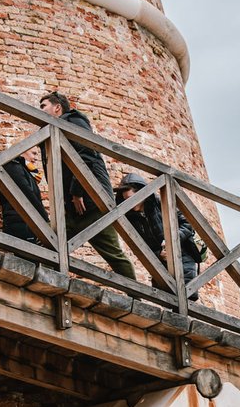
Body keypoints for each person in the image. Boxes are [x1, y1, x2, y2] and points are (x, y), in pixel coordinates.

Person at [38, 92, 135, 280]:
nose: (40, 110)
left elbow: (87, 154)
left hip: (92, 201)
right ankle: (42, 280)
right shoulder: (51, 130)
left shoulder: (73, 120)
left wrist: (76, 192)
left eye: (44, 106)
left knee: (114, 255)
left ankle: (137, 297)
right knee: (46, 243)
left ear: (57, 107)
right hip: (71, 209)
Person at [114, 172, 201, 300]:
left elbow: (188, 224)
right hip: (160, 263)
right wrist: (159, 254)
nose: (130, 204)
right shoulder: (130, 218)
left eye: (132, 199)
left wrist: (171, 241)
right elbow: (141, 248)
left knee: (187, 297)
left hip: (183, 256)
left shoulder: (161, 203)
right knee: (166, 298)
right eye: (126, 200)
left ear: (142, 194)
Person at [0, 150, 49, 244]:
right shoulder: (13, 166)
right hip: (21, 222)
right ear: (21, 152)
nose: (36, 158)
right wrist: (46, 221)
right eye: (33, 153)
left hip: (26, 222)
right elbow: (28, 195)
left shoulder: (25, 170)